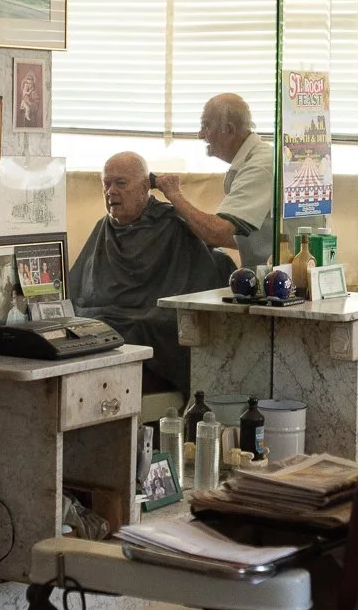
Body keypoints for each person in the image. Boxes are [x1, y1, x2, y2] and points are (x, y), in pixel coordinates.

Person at [67, 152, 234, 394]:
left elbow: (195, 289)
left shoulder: (172, 225)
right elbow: (78, 287)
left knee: (128, 327)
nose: (111, 191)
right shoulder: (103, 228)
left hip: (154, 318)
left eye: (121, 184)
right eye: (106, 184)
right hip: (107, 314)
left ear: (145, 186)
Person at [154, 93, 274, 270]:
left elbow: (217, 233)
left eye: (206, 126)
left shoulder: (261, 166)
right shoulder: (252, 161)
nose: (201, 135)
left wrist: (174, 195)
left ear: (229, 129)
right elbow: (253, 237)